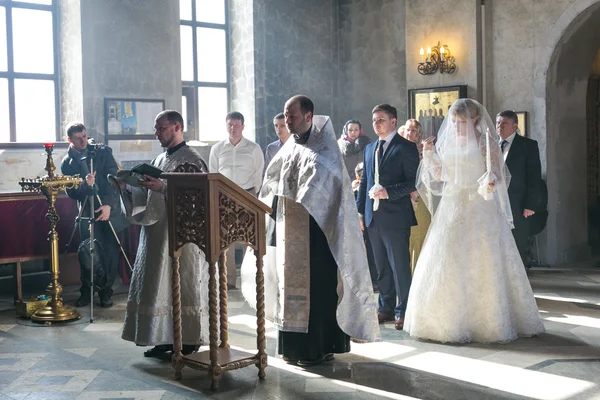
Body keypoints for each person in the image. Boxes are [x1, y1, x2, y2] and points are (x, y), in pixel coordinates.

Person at [242, 95, 380, 366]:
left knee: (318, 292)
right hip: (288, 232)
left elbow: (330, 189)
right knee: (288, 290)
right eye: (285, 116)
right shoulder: (290, 147)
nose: (287, 121)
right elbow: (273, 180)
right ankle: (293, 348)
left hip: (318, 235)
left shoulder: (326, 149)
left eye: (292, 116)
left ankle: (319, 348)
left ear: (308, 116)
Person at [404, 99, 545, 343]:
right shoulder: (448, 143)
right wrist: (428, 155)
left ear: (475, 120)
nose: (457, 127)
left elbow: (498, 174)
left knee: (483, 259)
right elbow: (440, 175)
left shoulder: (485, 141)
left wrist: (490, 179)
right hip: (452, 204)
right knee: (448, 258)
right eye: (455, 122)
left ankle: (488, 321)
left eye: (462, 122)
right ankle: (443, 320)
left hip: (480, 205)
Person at [116, 110, 209, 358]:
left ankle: (188, 339)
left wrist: (164, 187)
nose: (157, 133)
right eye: (156, 129)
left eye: (161, 128)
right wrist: (128, 187)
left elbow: (198, 200)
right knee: (159, 283)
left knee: (180, 284)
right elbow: (146, 196)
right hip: (157, 235)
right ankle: (163, 336)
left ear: (177, 127)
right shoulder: (158, 160)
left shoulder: (192, 159)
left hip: (180, 237)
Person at [357, 104, 420, 331]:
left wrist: (388, 192)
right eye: (374, 120)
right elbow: (364, 182)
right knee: (381, 266)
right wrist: (359, 212)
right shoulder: (370, 147)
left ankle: (403, 310)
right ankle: (385, 306)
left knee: (399, 266)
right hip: (372, 217)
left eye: (381, 119)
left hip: (395, 217)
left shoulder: (406, 147)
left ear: (393, 122)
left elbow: (414, 181)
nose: (376, 124)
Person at [61, 122, 120, 308]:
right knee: (87, 251)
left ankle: (105, 292)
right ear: (69, 140)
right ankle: (86, 291)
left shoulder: (102, 152)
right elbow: (71, 193)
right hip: (86, 210)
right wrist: (85, 186)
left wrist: (109, 204)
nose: (83, 141)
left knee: (109, 251)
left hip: (107, 208)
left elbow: (114, 179)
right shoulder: (67, 162)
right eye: (78, 138)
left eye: (85, 136)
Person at [209, 111, 264, 289]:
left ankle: (253, 279)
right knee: (226, 239)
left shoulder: (253, 148)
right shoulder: (217, 149)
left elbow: (258, 174)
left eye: (236, 125)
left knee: (251, 237)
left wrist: (255, 198)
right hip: (224, 197)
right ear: (226, 126)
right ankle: (228, 280)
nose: (233, 128)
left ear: (243, 126)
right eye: (230, 125)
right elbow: (213, 173)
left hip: (247, 195)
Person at [496, 110, 543, 267]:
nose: (500, 127)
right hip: (495, 203)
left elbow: (534, 177)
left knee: (517, 245)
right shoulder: (491, 146)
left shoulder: (528, 145)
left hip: (518, 204)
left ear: (514, 126)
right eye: (498, 123)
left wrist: (530, 204)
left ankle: (520, 285)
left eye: (504, 124)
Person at [399, 119, 432, 273]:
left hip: (421, 199)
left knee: (420, 235)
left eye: (414, 131)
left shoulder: (423, 151)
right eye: (408, 130)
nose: (410, 133)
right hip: (401, 199)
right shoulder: (397, 149)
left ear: (419, 134)